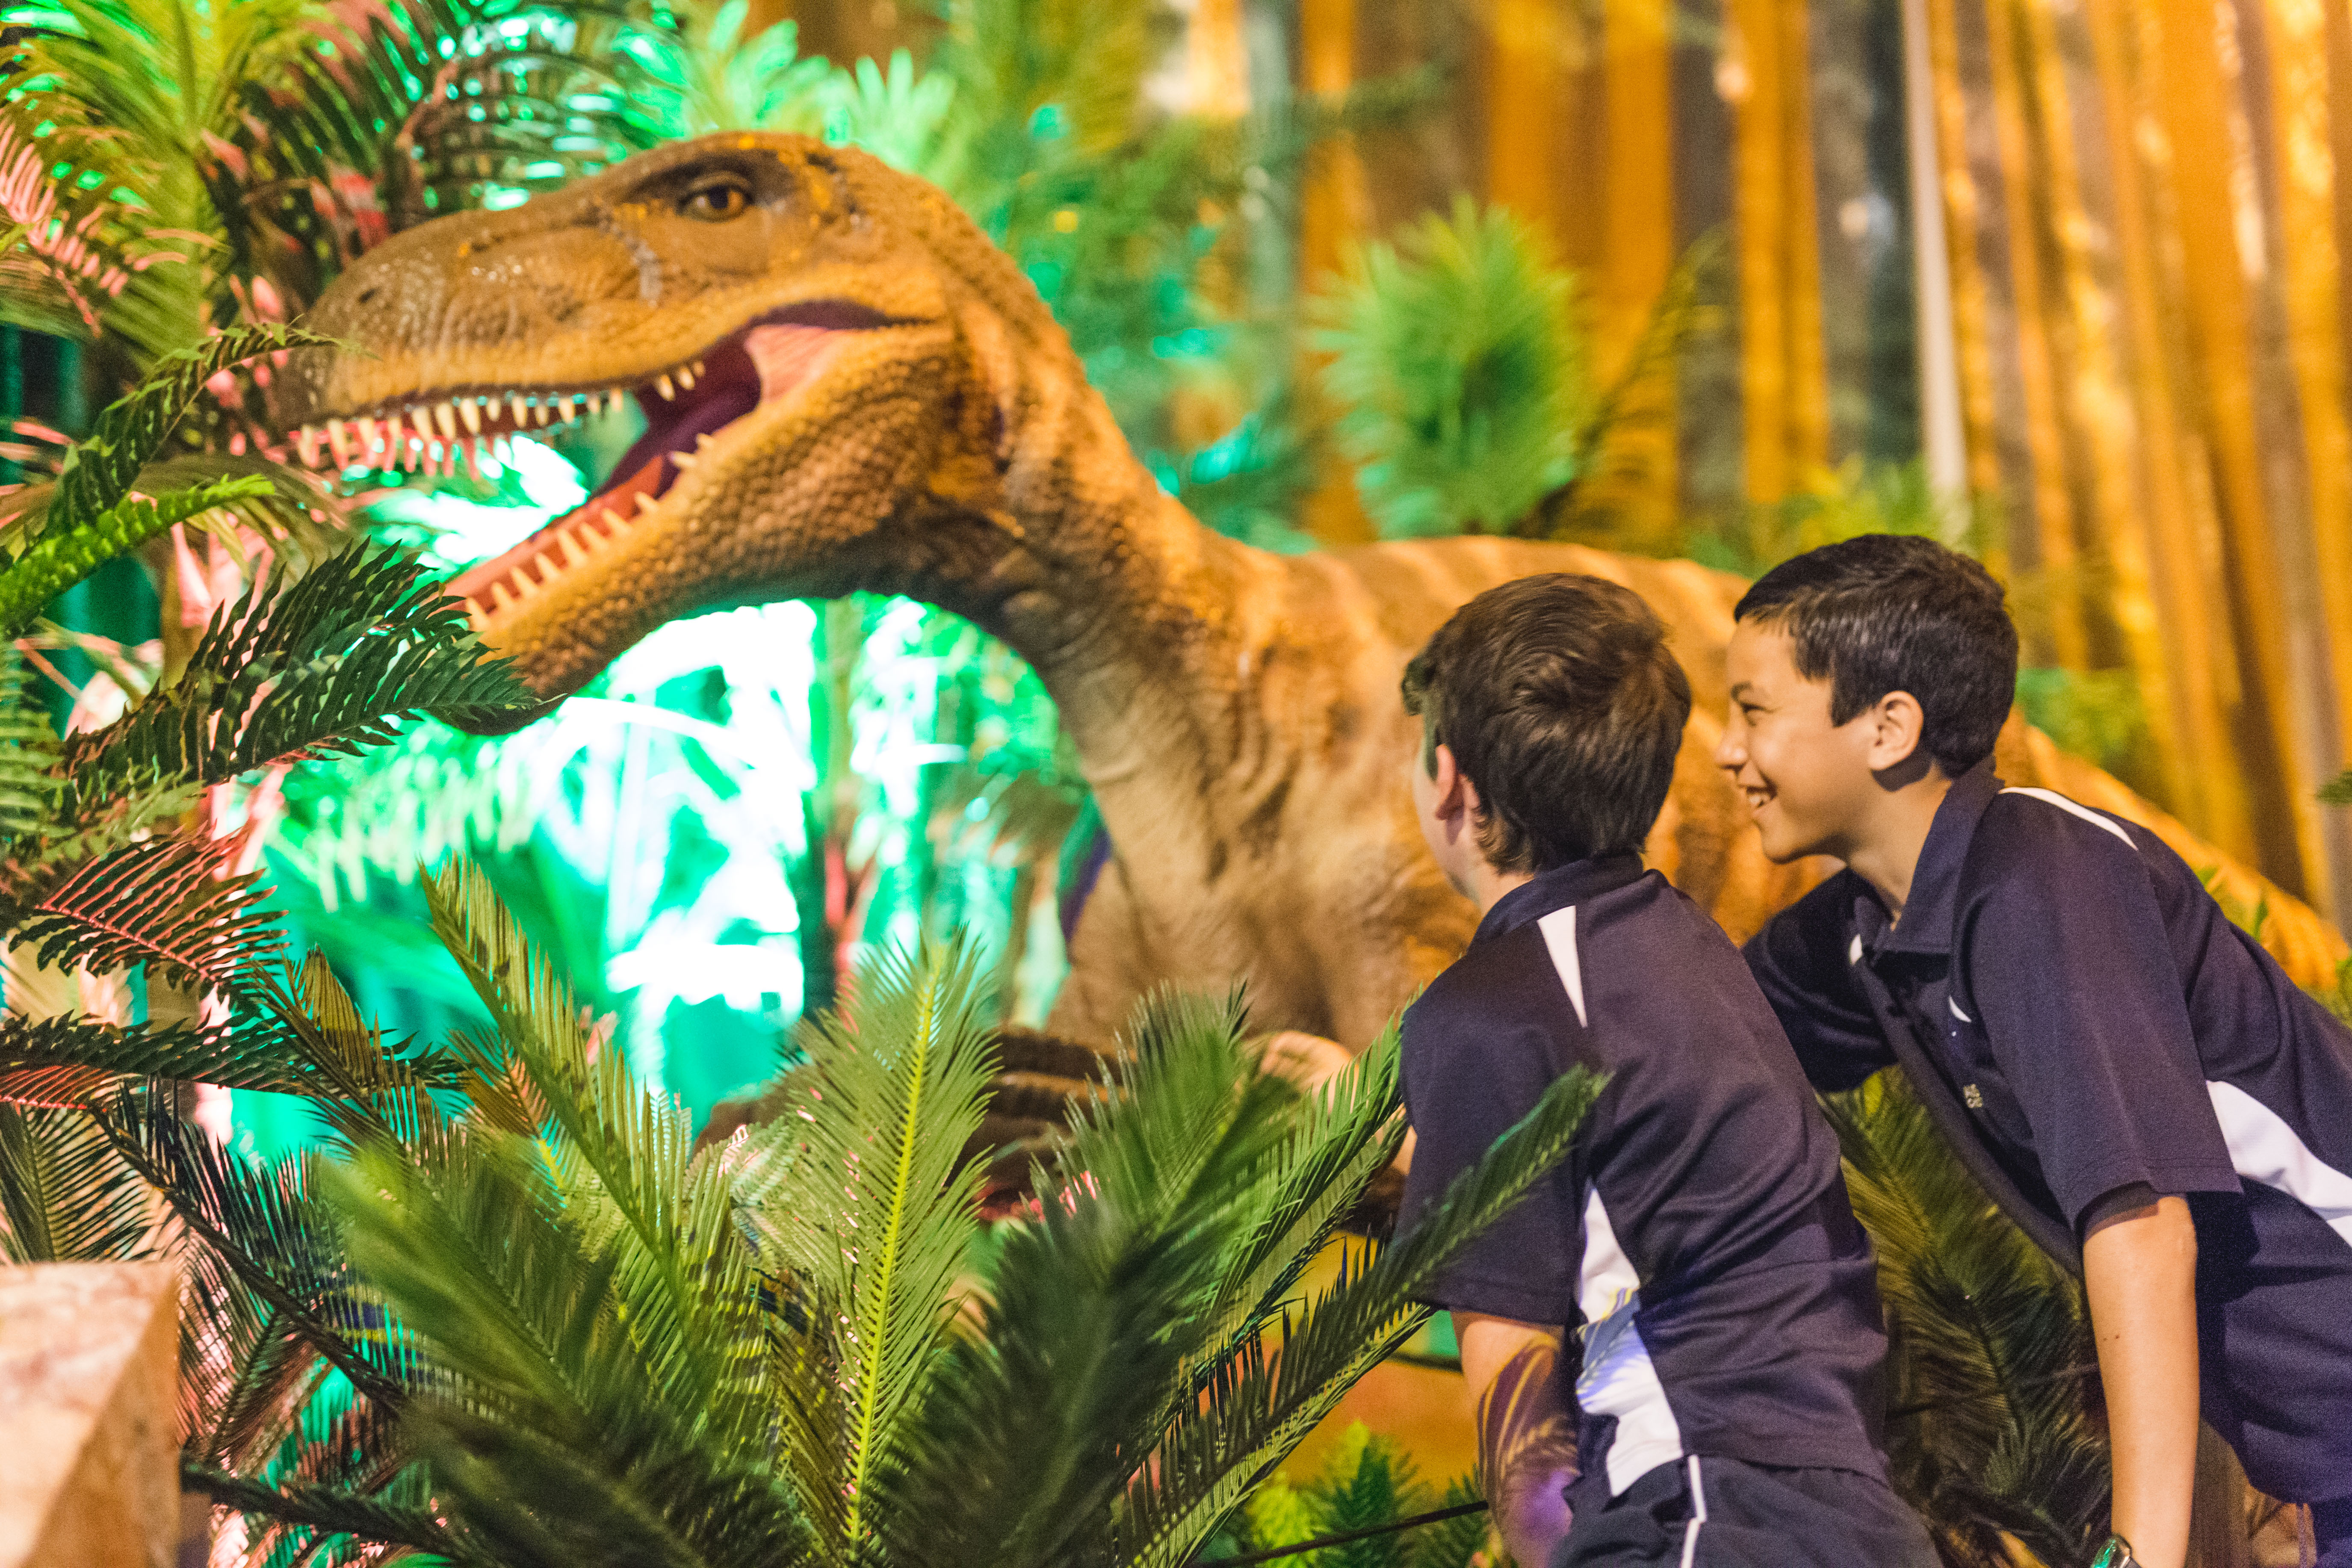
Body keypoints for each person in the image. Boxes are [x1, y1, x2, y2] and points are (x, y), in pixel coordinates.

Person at [1720, 533, 2352, 1568]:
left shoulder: (2039, 878)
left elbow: (2142, 1226)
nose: (1725, 750)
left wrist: (2135, 1557)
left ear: (1887, 727)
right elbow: (1674, 1050)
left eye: (1753, 710)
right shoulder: (1867, 930)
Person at [1393, 573, 1937, 1568]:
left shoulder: (1487, 1007)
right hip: (1854, 1522)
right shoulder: (1688, 950)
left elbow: (1522, 1439)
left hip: (1691, 1516)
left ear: (1449, 781)